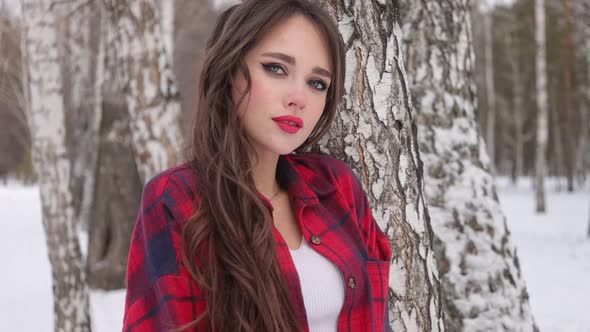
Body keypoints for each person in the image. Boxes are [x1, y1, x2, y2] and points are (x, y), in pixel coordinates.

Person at [122, 0, 392, 331]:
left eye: (317, 83)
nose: (299, 98)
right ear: (230, 70)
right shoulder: (176, 199)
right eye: (276, 68)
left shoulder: (336, 188)